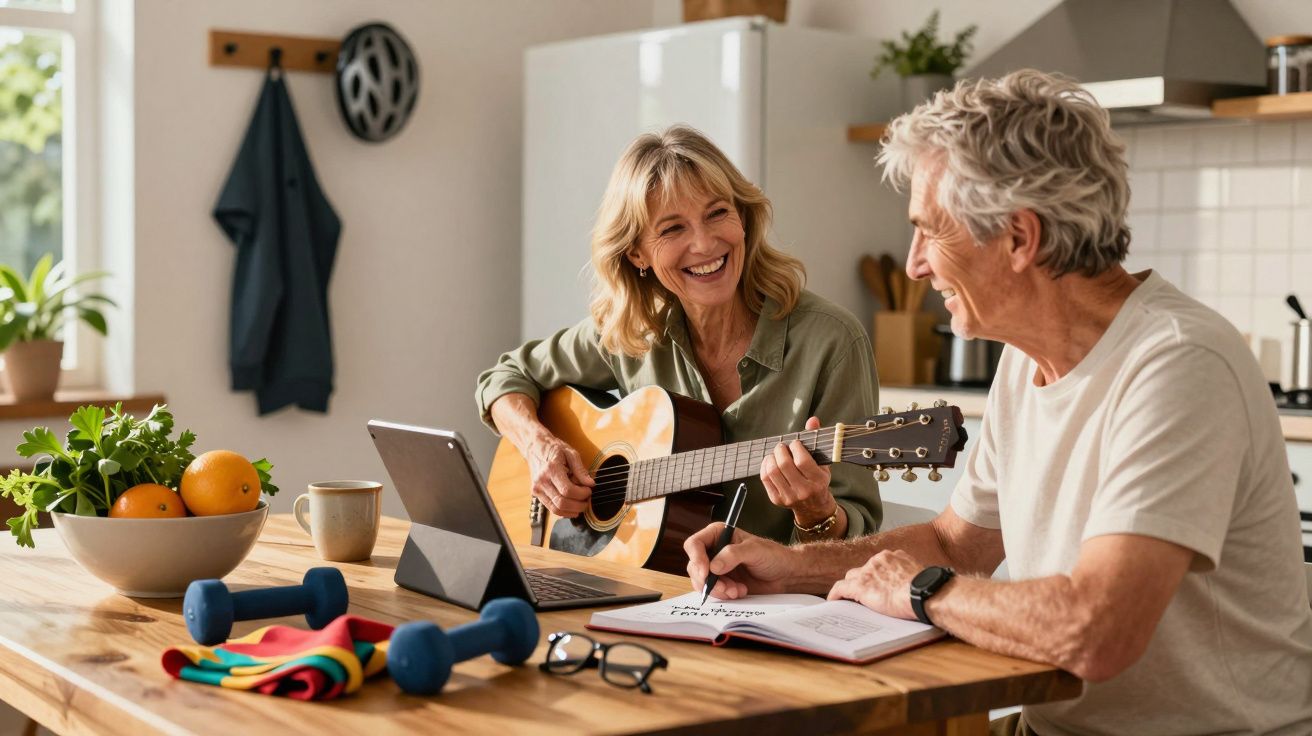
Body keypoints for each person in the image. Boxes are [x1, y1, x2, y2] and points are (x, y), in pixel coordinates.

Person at [684, 70, 1312, 735]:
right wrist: (790, 567)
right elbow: (955, 543)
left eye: (931, 232)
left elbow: (1097, 630)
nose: (914, 265)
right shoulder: (1024, 361)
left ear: (1020, 238)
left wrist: (921, 592)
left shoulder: (1178, 364)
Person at [476, 125, 882, 545]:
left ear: (742, 218)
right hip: (644, 593)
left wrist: (815, 512)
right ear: (637, 253)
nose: (705, 244)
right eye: (672, 229)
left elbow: (857, 535)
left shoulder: (832, 342)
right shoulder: (632, 329)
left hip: (771, 604)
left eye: (717, 213)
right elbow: (504, 378)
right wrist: (539, 445)